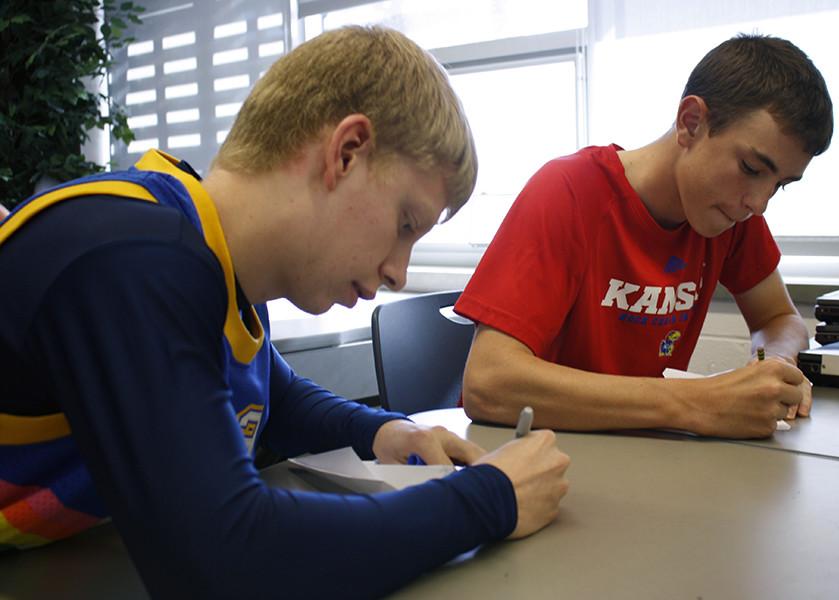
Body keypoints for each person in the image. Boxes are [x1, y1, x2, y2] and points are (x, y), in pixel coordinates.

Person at [0, 26, 570, 599]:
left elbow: (274, 395)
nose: (399, 270)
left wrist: (383, 431)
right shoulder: (131, 255)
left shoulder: (215, 264)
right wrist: (491, 497)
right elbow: (226, 559)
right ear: (346, 153)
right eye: (404, 224)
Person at [456, 34, 833, 440]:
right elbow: (488, 383)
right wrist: (694, 401)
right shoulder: (568, 191)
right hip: (538, 452)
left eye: (781, 185)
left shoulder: (730, 213)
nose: (759, 204)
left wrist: (773, 365)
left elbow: (780, 318)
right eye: (751, 168)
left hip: (646, 455)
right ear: (691, 123)